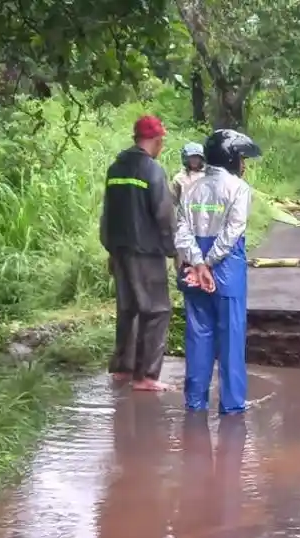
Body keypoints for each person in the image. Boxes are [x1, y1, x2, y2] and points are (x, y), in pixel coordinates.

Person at [174, 129, 260, 415]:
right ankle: (232, 407)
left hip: (193, 268)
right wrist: (209, 264)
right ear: (231, 158)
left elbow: (182, 231)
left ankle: (195, 403)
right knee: (231, 339)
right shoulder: (238, 188)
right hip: (226, 270)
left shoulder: (192, 189)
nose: (244, 165)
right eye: (242, 158)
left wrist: (197, 263)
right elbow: (232, 232)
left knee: (198, 336)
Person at [99, 114, 176, 392]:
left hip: (119, 250)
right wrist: (173, 251)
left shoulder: (115, 168)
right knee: (156, 310)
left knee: (128, 308)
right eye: (161, 141)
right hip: (145, 252)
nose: (162, 146)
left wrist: (110, 247)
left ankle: (123, 367)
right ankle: (145, 376)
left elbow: (108, 212)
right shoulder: (152, 170)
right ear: (156, 140)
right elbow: (164, 215)